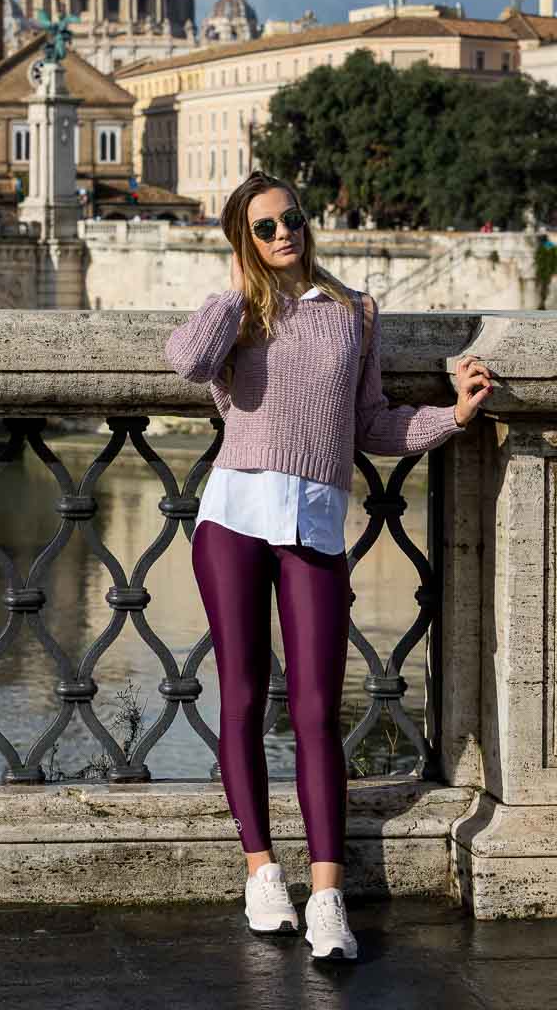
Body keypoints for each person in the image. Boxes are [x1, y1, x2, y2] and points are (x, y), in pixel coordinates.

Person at [164, 170, 493, 963]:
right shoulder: (239, 313)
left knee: (315, 709)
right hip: (232, 519)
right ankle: (260, 874)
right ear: (246, 239)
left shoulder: (354, 313)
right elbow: (187, 362)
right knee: (241, 696)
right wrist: (240, 287)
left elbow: (372, 422)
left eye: (292, 221)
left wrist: (454, 416)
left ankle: (327, 896)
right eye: (265, 228)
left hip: (313, 523)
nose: (285, 235)